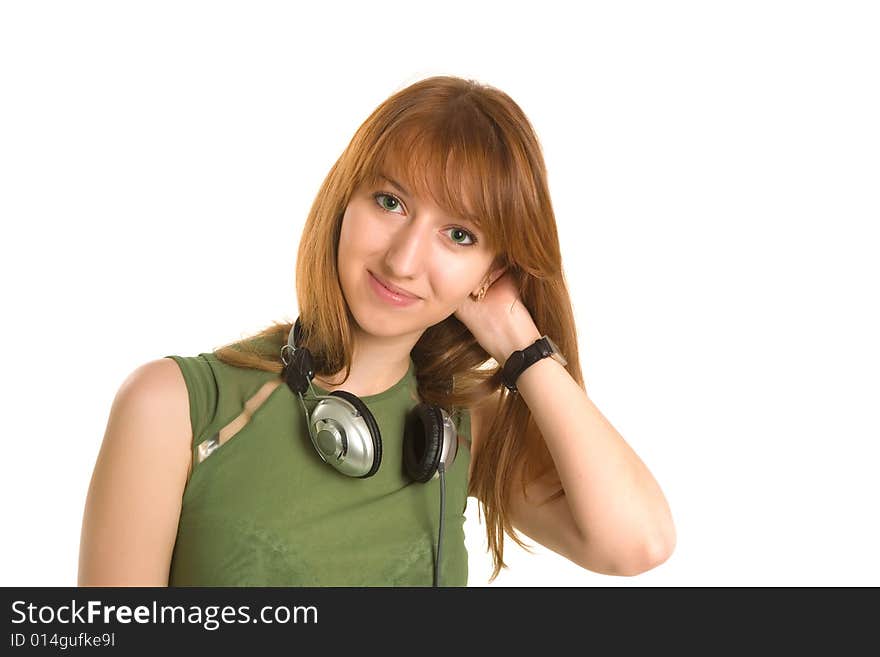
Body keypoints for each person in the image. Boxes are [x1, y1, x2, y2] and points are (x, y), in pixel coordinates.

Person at [77, 75, 676, 586]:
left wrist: (521, 346)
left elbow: (638, 544)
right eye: (390, 202)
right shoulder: (176, 406)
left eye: (459, 235)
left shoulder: (460, 427)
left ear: (491, 273)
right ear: (346, 200)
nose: (404, 260)